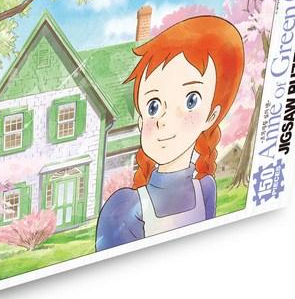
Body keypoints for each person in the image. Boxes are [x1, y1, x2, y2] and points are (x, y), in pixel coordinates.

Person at [96, 16, 244, 251]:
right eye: (153, 106)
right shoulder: (123, 208)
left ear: (211, 116)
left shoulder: (206, 189)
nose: (166, 121)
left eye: (191, 101)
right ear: (140, 121)